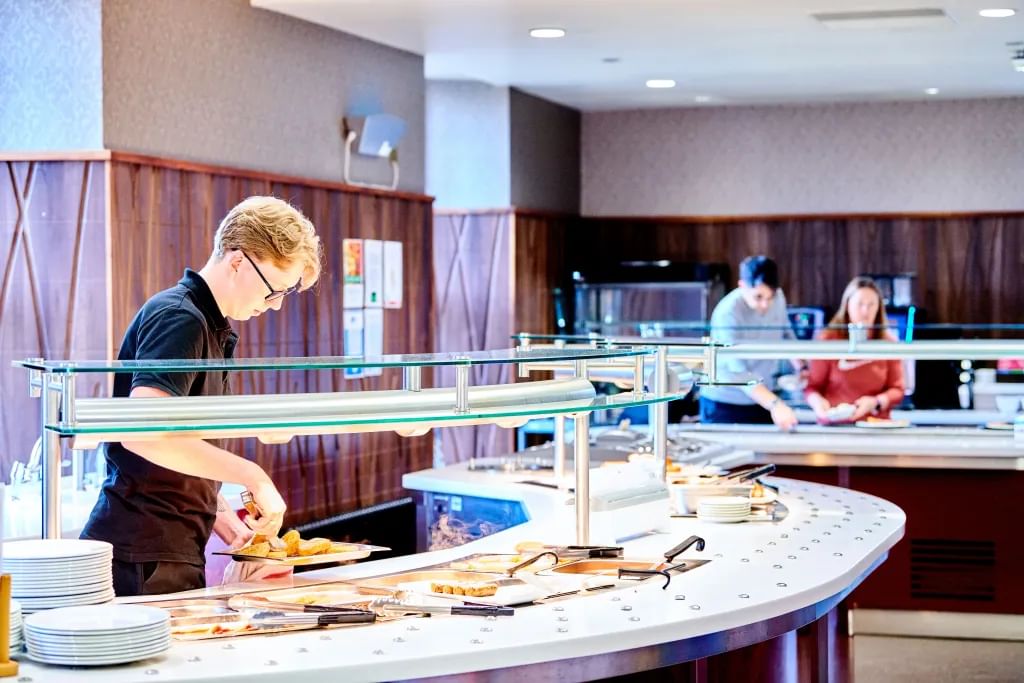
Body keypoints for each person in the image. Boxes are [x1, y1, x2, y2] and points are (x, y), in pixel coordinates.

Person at [81, 196, 322, 596]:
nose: (275, 305)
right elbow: (143, 434)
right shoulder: (180, 317)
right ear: (238, 262)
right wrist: (253, 476)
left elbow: (177, 448)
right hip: (141, 554)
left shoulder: (209, 325)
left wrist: (226, 521)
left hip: (165, 549)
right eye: (272, 291)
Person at [698, 256, 801, 430]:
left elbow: (786, 333)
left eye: (770, 297)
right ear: (742, 286)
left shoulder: (778, 297)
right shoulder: (727, 314)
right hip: (724, 404)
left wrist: (801, 365)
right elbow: (739, 372)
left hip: (762, 399)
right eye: (759, 297)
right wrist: (775, 404)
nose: (765, 304)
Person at [805, 276, 905, 423]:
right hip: (835, 429)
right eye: (860, 304)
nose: (866, 310)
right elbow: (812, 388)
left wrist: (875, 402)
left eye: (871, 304)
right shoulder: (828, 341)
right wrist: (818, 404)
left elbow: (897, 391)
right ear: (847, 306)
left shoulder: (887, 343)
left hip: (875, 427)